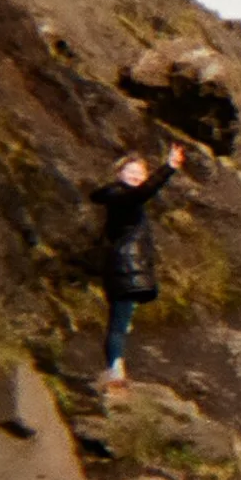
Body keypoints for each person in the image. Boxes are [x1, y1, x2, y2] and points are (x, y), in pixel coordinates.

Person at [92, 142, 184, 391]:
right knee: (119, 324)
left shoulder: (120, 198)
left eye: (139, 173)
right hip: (124, 268)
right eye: (131, 171)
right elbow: (143, 193)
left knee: (121, 322)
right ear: (119, 173)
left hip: (124, 268)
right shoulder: (123, 197)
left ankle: (114, 368)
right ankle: (115, 370)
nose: (135, 176)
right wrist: (168, 168)